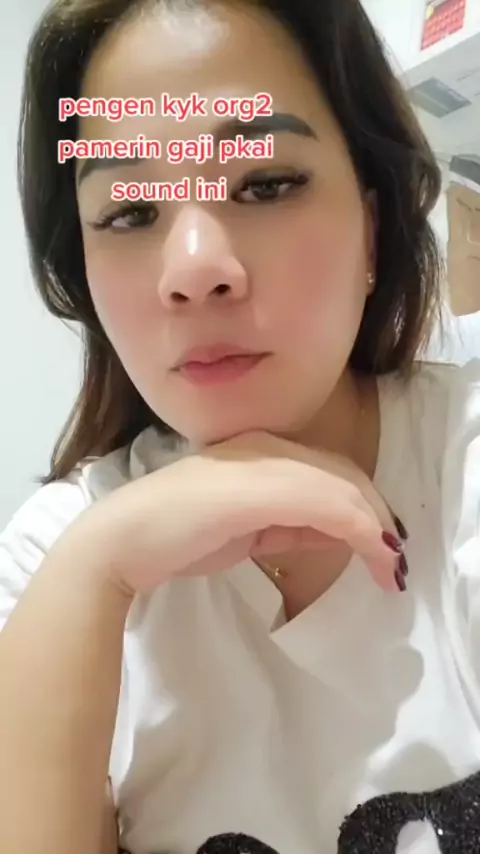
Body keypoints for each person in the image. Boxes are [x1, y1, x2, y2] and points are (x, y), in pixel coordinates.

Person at [1, 0, 480, 851]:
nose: (194, 270)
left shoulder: (465, 459)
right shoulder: (55, 556)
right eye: (130, 212)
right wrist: (96, 574)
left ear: (372, 230)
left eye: (266, 184)